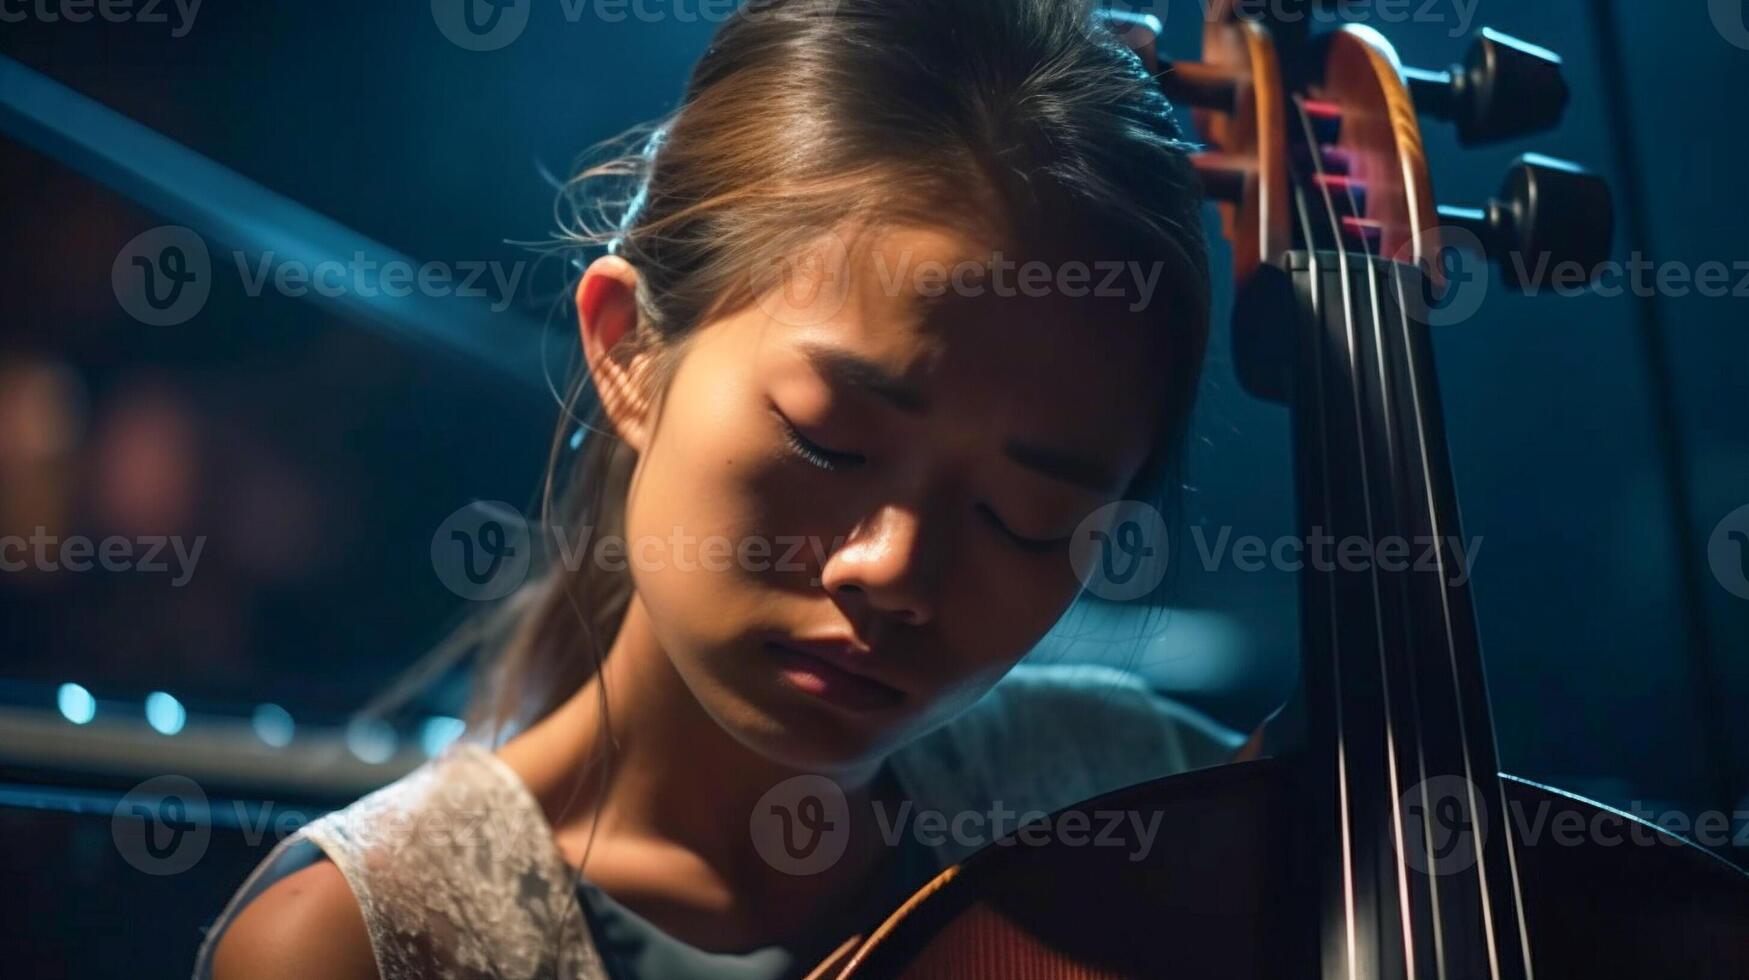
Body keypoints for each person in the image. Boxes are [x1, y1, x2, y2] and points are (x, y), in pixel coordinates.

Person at [197, 1, 1255, 977]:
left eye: (1027, 516)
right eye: (832, 442)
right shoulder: (357, 941)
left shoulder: (1140, 797)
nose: (894, 570)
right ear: (628, 352)